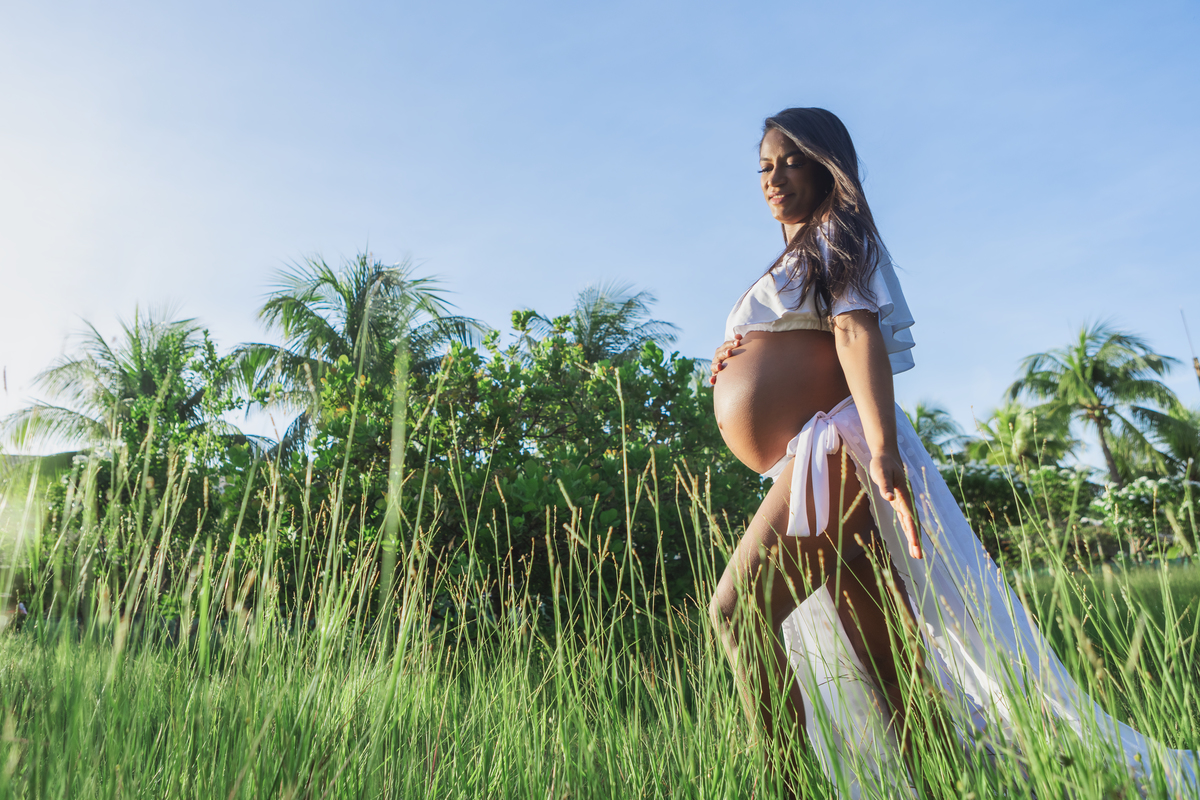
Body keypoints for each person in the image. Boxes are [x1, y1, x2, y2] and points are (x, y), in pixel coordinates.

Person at [706, 107, 1196, 798]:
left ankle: (782, 789)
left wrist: (881, 453)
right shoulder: (795, 256)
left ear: (826, 163)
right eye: (764, 164)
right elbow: (806, 334)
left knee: (737, 611)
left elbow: (854, 335)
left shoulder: (838, 233)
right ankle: (943, 786)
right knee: (887, 664)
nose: (773, 176)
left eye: (790, 160)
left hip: (839, 453)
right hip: (810, 463)